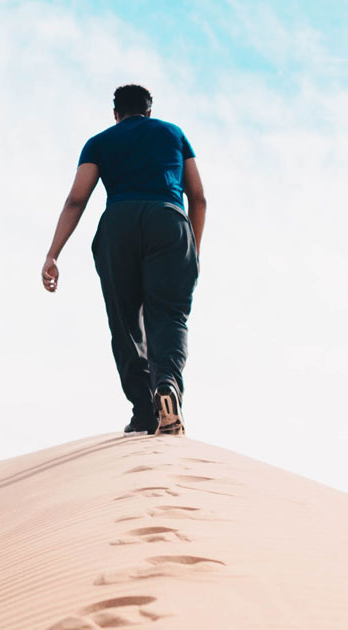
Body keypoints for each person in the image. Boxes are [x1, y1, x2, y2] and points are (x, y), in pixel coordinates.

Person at [41, 84, 206, 436]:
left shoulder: (100, 142)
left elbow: (76, 199)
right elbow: (199, 197)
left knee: (125, 321)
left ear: (116, 114)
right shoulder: (174, 134)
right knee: (169, 315)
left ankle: (145, 413)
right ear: (149, 111)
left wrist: (53, 254)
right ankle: (168, 387)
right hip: (170, 221)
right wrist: (193, 248)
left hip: (118, 225)